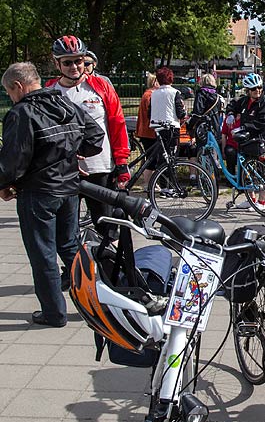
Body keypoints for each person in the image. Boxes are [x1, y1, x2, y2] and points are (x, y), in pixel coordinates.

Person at [0, 62, 104, 327]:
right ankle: (97, 302)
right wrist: (71, 152)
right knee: (70, 246)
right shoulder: (66, 103)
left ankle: (53, 313)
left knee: (42, 252)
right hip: (69, 188)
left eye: (9, 93)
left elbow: (13, 161)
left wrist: (5, 184)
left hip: (38, 193)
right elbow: (95, 137)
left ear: (18, 86)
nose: (10, 98)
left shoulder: (22, 113)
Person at [45, 35, 130, 235]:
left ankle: (108, 265)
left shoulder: (101, 87)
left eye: (78, 61)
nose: (74, 66)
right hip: (64, 172)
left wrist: (122, 162)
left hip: (99, 169)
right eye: (67, 62)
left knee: (107, 230)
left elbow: (117, 124)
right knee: (66, 233)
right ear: (57, 63)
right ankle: (74, 266)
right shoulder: (49, 90)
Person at [226, 72, 265, 211]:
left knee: (263, 172)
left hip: (261, 141)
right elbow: (233, 105)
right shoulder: (244, 101)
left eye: (259, 87)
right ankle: (251, 199)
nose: (257, 91)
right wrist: (230, 114)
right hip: (246, 142)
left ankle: (262, 201)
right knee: (246, 171)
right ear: (248, 90)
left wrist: (243, 127)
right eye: (253, 89)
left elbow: (263, 122)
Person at [149, 66, 187, 176]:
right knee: (171, 157)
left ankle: (163, 182)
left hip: (157, 127)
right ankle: (171, 183)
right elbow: (180, 113)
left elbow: (149, 112)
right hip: (172, 127)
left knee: (162, 156)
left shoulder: (153, 94)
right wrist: (184, 114)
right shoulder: (174, 92)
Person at [135, 73, 160, 190]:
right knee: (151, 159)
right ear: (154, 83)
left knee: (151, 157)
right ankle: (148, 183)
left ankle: (150, 183)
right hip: (149, 132)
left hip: (145, 131)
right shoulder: (150, 96)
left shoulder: (147, 94)